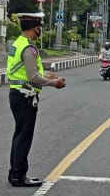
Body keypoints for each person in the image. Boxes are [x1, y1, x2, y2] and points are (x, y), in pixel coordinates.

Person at [6, 12, 66, 187]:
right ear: (34, 28)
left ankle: (14, 173)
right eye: (40, 26)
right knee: (24, 136)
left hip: (16, 93)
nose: (41, 29)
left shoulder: (18, 43)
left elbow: (25, 71)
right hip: (25, 96)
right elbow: (33, 77)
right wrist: (54, 82)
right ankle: (19, 175)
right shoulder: (29, 49)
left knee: (19, 135)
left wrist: (46, 74)